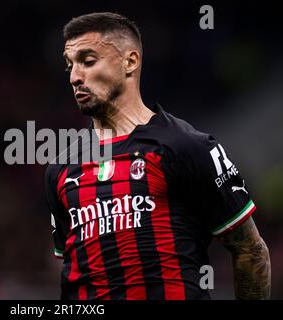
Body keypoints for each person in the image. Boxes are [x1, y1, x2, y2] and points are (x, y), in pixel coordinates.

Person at [44, 12, 271, 300]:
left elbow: (250, 251)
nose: (76, 77)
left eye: (88, 62)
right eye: (70, 66)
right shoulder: (61, 168)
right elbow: (74, 270)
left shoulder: (187, 147)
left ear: (130, 61)